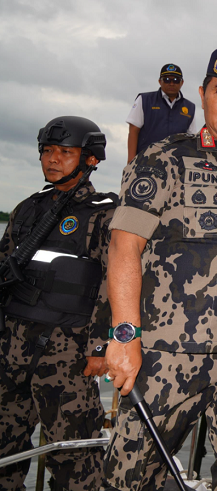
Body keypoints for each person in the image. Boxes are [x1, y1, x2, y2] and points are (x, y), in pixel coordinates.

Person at [103, 47, 217, 490]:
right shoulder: (165, 159)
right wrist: (125, 337)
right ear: (202, 95)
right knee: (130, 478)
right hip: (169, 355)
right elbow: (124, 248)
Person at [0, 116, 115, 491]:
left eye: (65, 152)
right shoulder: (26, 209)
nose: (53, 159)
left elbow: (113, 283)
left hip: (66, 354)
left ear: (90, 159)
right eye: (48, 150)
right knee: (4, 448)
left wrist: (99, 347)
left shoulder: (102, 214)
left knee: (74, 459)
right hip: (11, 345)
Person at [126, 63, 201, 162]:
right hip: (145, 161)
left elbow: (191, 138)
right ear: (159, 81)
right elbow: (133, 130)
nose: (171, 83)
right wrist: (131, 161)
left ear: (182, 82)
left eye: (175, 80)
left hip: (175, 164)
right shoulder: (144, 100)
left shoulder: (190, 107)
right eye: (166, 80)